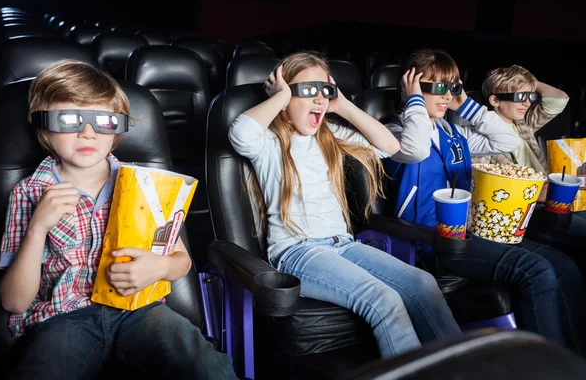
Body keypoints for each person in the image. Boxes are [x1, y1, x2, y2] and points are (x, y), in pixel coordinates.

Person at [0, 60, 237, 380]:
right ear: (43, 128)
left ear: (117, 131)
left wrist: (161, 267)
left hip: (140, 311)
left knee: (206, 367)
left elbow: (181, 260)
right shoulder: (28, 193)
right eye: (69, 119)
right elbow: (14, 302)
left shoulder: (144, 186)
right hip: (64, 319)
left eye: (104, 121)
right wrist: (37, 227)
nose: (88, 132)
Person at [228, 51, 462, 359]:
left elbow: (391, 147)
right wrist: (281, 95)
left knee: (422, 283)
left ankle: (461, 366)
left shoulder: (330, 135)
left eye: (325, 91)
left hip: (344, 245)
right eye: (307, 91)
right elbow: (240, 133)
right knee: (383, 299)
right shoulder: (270, 142)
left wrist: (342, 104)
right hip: (299, 251)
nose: (320, 100)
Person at [384, 49, 586, 355]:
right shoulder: (394, 133)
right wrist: (412, 100)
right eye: (437, 87)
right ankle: (548, 365)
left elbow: (508, 140)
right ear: (410, 87)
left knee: (564, 267)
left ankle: (572, 359)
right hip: (434, 241)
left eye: (453, 87)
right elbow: (417, 147)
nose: (446, 95)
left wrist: (463, 103)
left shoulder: (452, 132)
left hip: (470, 232)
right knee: (536, 270)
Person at [478, 66, 586, 254]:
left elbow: (559, 99)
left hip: (552, 201)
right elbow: (492, 191)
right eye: (520, 97)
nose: (527, 103)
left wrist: (528, 81)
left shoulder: (523, 124)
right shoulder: (483, 138)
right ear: (495, 100)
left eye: (530, 96)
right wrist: (545, 193)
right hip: (530, 212)